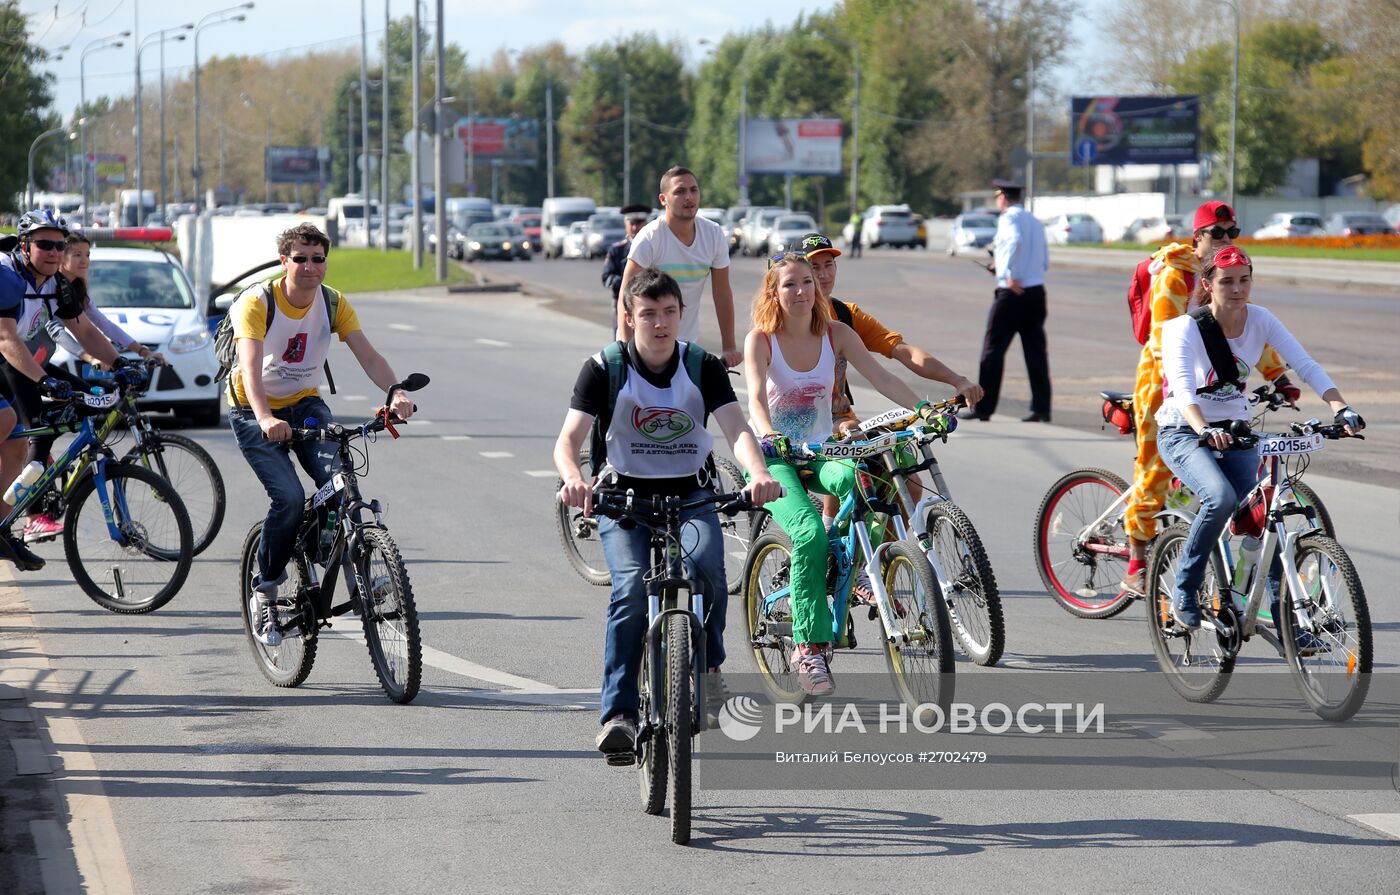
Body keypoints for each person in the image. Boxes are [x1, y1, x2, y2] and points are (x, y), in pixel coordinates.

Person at [554, 268, 782, 758]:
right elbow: (567, 442)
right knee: (632, 589)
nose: (660, 324)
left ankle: (711, 671)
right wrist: (575, 477)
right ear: (629, 317)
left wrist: (757, 473)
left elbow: (737, 430)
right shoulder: (603, 367)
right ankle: (618, 714)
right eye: (649, 314)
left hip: (692, 494)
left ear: (681, 314)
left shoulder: (701, 364)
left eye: (670, 313)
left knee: (709, 572)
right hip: (624, 500)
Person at [744, 252, 951, 696]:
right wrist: (768, 434)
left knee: (870, 484)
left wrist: (922, 410)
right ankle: (809, 647)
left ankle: (857, 570)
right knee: (808, 536)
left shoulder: (836, 334)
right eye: (789, 285)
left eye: (806, 282)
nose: (800, 291)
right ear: (773, 293)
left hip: (823, 452)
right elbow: (756, 401)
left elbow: (882, 378)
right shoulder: (761, 340)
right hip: (776, 456)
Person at [1155, 245, 1362, 629]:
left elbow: (1305, 365)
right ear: (1208, 285)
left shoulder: (1262, 319)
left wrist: (1341, 409)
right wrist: (1204, 429)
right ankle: (1186, 586)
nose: (1238, 289)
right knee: (1220, 498)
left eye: (1245, 280)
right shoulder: (1183, 329)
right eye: (1227, 281)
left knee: (1263, 516)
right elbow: (1182, 390)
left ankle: (1285, 621)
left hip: (1236, 431)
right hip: (1184, 429)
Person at [228, 222, 414, 646]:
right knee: (289, 498)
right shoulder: (258, 302)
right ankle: (266, 590)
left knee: (340, 482)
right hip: (253, 408)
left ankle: (347, 569)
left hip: (306, 404)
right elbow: (251, 370)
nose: (311, 267)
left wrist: (395, 392)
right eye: (301, 259)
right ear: (284, 262)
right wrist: (264, 418)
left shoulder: (333, 303)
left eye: (318, 259)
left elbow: (367, 354)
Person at [1120, 200, 1296, 594]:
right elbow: (1168, 340)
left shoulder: (1226, 277)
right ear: (1197, 237)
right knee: (1155, 470)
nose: (1224, 240)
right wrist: (1199, 382)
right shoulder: (1173, 276)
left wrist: (1278, 374)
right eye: (1217, 234)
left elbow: (1243, 331)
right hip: (1164, 385)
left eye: (1232, 233)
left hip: (1216, 389)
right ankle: (1136, 560)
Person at [802, 231, 982, 573]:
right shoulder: (785, 315)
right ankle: (827, 533)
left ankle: (878, 563)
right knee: (851, 453)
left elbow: (901, 352)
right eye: (814, 267)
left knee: (907, 477)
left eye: (829, 265)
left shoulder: (845, 315)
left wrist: (956, 381)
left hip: (840, 415)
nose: (824, 275)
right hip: (800, 422)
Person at [18, 231, 170, 543]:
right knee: (40, 426)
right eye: (76, 255)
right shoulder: (48, 285)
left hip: (40, 362)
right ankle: (35, 506)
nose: (83, 261)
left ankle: (50, 466)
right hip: (24, 365)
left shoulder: (72, 289)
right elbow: (56, 330)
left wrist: (135, 354)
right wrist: (88, 356)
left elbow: (97, 324)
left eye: (87, 255)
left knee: (91, 398)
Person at [0, 210, 124, 570]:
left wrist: (120, 365)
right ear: (25, 246)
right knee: (6, 419)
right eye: (44, 244)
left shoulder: (55, 283)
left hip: (7, 361)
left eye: (59, 245)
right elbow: (6, 338)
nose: (54, 252)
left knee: (17, 445)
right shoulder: (7, 276)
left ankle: (2, 531)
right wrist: (43, 380)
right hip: (6, 353)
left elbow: (84, 330)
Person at [616, 167, 740, 367]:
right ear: (663, 199)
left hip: (685, 347)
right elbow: (626, 295)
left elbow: (722, 294)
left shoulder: (713, 234)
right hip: (644, 348)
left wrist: (729, 347)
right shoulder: (650, 238)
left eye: (694, 190)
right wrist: (626, 347)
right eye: (680, 191)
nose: (689, 197)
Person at [963, 179, 1051, 422]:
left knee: (992, 351)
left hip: (1012, 294)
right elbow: (1043, 259)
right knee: (1036, 352)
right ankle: (1042, 408)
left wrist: (1006, 274)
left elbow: (1013, 242)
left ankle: (983, 408)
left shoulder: (1009, 218)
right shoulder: (1034, 220)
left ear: (1003, 197)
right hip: (1036, 290)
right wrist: (1004, 268)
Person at [601, 203, 650, 305]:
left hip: (650, 301)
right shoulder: (616, 250)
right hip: (623, 301)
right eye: (632, 223)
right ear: (625, 224)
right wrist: (629, 281)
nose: (635, 227)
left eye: (639, 223)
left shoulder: (654, 247)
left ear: (646, 223)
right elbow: (607, 278)